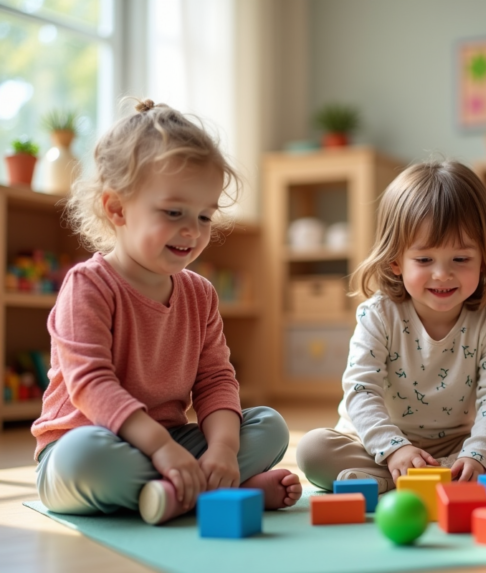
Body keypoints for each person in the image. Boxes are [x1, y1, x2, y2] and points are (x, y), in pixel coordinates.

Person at [31, 99, 302, 525]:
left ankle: (184, 490)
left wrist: (223, 451)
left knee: (270, 425)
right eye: (173, 212)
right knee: (86, 460)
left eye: (205, 215)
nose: (192, 230)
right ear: (116, 208)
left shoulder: (201, 294)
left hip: (172, 444)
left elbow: (215, 379)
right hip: (88, 446)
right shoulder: (88, 285)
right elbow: (91, 384)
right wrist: (160, 448)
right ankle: (215, 491)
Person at [296, 159, 486, 492]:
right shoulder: (378, 316)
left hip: (457, 446)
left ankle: (418, 479)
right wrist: (394, 449)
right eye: (424, 259)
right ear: (395, 261)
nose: (442, 274)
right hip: (377, 445)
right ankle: (425, 478)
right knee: (313, 449)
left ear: (484, 259)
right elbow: (361, 390)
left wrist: (477, 455)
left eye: (460, 259)